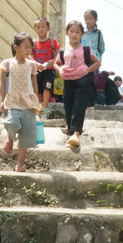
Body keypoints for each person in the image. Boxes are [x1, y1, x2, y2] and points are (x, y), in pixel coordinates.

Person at [0, 32, 41, 172]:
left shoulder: (32, 65)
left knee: (26, 134)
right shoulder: (7, 63)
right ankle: (10, 136)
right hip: (13, 100)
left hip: (28, 102)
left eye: (30, 47)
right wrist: (1, 100)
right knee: (12, 123)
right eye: (26, 47)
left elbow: (35, 85)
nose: (29, 50)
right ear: (16, 47)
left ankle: (20, 163)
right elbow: (2, 84)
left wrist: (36, 101)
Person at [56, 20, 101, 149]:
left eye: (77, 32)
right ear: (67, 33)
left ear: (82, 34)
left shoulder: (85, 49)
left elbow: (97, 63)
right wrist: (60, 71)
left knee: (79, 107)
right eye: (72, 31)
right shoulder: (63, 51)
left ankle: (76, 134)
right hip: (68, 82)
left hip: (83, 81)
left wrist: (87, 70)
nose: (74, 34)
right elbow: (56, 63)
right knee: (68, 107)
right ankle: (71, 134)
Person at [32, 17, 61, 113]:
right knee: (37, 88)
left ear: (48, 28)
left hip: (49, 70)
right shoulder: (33, 43)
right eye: (38, 27)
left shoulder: (53, 42)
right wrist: (36, 63)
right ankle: (37, 106)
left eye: (43, 27)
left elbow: (59, 54)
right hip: (37, 70)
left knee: (47, 87)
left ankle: (45, 107)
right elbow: (29, 55)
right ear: (35, 29)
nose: (41, 29)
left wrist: (52, 62)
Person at [82, 9, 106, 104]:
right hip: (83, 59)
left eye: (90, 18)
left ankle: (92, 102)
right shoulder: (81, 32)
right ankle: (83, 100)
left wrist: (97, 56)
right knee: (83, 79)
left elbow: (102, 48)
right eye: (86, 19)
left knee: (93, 80)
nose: (88, 21)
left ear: (96, 19)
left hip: (95, 61)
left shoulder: (98, 33)